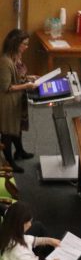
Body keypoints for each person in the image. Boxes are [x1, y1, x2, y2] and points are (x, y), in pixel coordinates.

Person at [0, 29, 38, 170]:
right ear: (15, 43)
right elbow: (6, 87)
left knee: (17, 127)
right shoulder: (5, 61)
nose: (27, 47)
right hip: (7, 102)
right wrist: (26, 85)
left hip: (17, 99)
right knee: (8, 132)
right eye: (25, 44)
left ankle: (19, 152)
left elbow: (19, 76)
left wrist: (30, 77)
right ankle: (9, 162)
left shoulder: (17, 56)